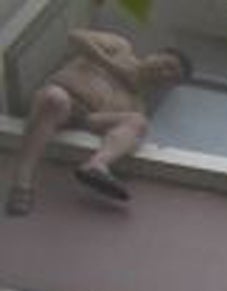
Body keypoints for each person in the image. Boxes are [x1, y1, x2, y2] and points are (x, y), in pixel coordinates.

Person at [6, 30, 191, 216]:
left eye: (171, 77)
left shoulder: (136, 103)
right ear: (156, 54)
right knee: (55, 98)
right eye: (168, 64)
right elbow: (75, 37)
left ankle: (97, 165)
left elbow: (120, 132)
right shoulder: (121, 48)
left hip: (86, 118)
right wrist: (113, 67)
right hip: (61, 97)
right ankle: (22, 183)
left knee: (138, 121)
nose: (164, 73)